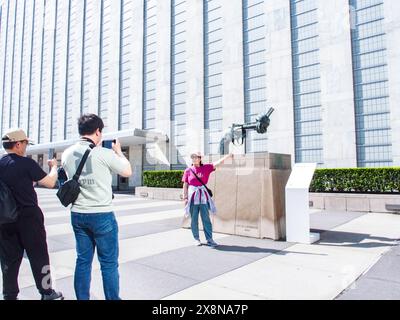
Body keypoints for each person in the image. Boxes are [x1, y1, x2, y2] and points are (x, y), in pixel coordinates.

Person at [61, 114, 132, 300]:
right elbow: (127, 171)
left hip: (77, 213)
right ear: (98, 131)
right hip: (101, 214)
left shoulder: (67, 153)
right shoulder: (104, 153)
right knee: (108, 263)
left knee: (83, 261)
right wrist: (119, 152)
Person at [0, 129, 64, 300]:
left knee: (8, 260)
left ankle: (9, 295)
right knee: (39, 256)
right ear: (18, 144)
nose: (26, 147)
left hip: (5, 220)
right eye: (26, 143)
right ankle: (47, 292)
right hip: (29, 220)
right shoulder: (26, 164)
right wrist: (54, 168)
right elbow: (50, 183)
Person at [182, 151, 233, 247]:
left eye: (196, 157)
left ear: (200, 158)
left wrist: (227, 156)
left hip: (203, 197)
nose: (194, 159)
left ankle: (209, 239)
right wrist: (185, 198)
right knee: (194, 219)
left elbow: (217, 163)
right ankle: (196, 238)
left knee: (206, 219)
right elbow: (185, 185)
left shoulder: (206, 168)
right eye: (192, 157)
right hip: (193, 197)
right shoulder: (188, 170)